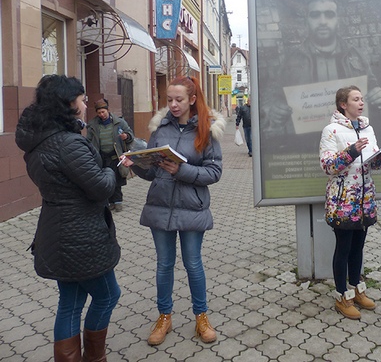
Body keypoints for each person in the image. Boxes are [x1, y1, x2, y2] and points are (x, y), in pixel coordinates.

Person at [15, 75, 121, 362]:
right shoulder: (67, 144)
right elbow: (100, 186)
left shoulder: (40, 139)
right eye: (82, 99)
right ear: (68, 104)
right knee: (108, 295)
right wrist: (113, 168)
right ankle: (95, 357)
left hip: (56, 231)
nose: (86, 105)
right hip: (81, 236)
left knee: (70, 303)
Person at [120, 76, 226, 347]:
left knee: (193, 263)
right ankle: (164, 316)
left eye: (179, 99)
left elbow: (214, 172)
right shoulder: (160, 127)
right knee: (164, 264)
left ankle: (201, 316)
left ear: (192, 99)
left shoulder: (207, 129)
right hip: (161, 205)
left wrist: (182, 170)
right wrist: (137, 163)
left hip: (192, 206)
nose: (173, 105)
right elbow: (154, 171)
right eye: (169, 99)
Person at [262, 0, 381, 135]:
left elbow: (372, 87)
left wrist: (379, 96)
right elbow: (274, 98)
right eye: (315, 15)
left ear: (338, 21)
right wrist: (275, 110)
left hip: (350, 138)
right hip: (306, 144)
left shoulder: (356, 55)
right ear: (307, 21)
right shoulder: (291, 60)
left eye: (329, 15)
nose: (322, 21)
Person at [319, 85, 381, 320]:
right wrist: (351, 151)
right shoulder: (331, 130)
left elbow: (372, 164)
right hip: (343, 201)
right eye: (356, 99)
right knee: (344, 248)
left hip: (365, 198)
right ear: (343, 104)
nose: (361, 103)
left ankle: (356, 289)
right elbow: (328, 167)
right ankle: (342, 296)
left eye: (362, 99)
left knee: (358, 247)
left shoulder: (367, 128)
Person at [86, 98, 134, 212]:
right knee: (104, 180)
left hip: (115, 156)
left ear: (108, 110)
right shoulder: (93, 125)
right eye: (99, 113)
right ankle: (109, 202)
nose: (102, 115)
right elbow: (88, 140)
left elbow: (130, 134)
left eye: (103, 112)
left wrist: (126, 136)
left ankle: (117, 201)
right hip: (101, 156)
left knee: (117, 179)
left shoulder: (119, 122)